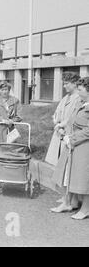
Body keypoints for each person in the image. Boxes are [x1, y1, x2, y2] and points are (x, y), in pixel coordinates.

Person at [51, 77, 89, 219]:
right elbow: (72, 121)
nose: (78, 92)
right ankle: (69, 202)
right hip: (74, 144)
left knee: (84, 178)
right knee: (69, 173)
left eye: (80, 89)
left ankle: (85, 209)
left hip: (84, 146)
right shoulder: (82, 103)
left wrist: (71, 138)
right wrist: (64, 131)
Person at [45, 72, 81, 167]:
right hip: (59, 133)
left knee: (68, 164)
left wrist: (62, 125)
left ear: (74, 83)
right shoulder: (65, 97)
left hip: (69, 134)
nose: (64, 86)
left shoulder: (79, 98)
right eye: (63, 84)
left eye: (66, 83)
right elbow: (56, 113)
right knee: (58, 165)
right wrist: (56, 122)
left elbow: (75, 117)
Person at [0, 81, 22, 161]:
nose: (4, 92)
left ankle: (9, 164)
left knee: (10, 147)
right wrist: (2, 120)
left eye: (6, 89)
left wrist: (12, 121)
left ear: (9, 90)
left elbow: (19, 115)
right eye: (2, 90)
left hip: (10, 128)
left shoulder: (15, 100)